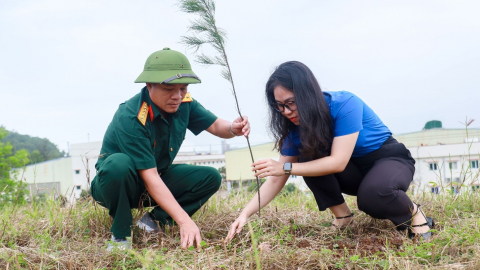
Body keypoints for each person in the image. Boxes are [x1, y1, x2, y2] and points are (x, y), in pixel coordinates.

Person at [226, 61, 434, 242]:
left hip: (387, 160)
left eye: (290, 103)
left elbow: (337, 162)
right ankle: (343, 216)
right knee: (307, 157)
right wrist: (245, 214)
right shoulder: (294, 127)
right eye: (279, 106)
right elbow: (275, 179)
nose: (286, 112)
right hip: (354, 173)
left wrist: (286, 167)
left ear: (307, 94)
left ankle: (415, 213)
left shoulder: (344, 103)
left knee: (372, 197)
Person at [91, 48, 250, 251]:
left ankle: (152, 223)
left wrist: (234, 129)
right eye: (169, 89)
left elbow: (216, 125)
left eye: (183, 88)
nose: (178, 96)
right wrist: (184, 221)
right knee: (118, 164)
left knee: (210, 177)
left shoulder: (184, 103)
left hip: (156, 178)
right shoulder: (131, 116)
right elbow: (149, 176)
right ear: (149, 86)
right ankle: (121, 236)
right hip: (118, 185)